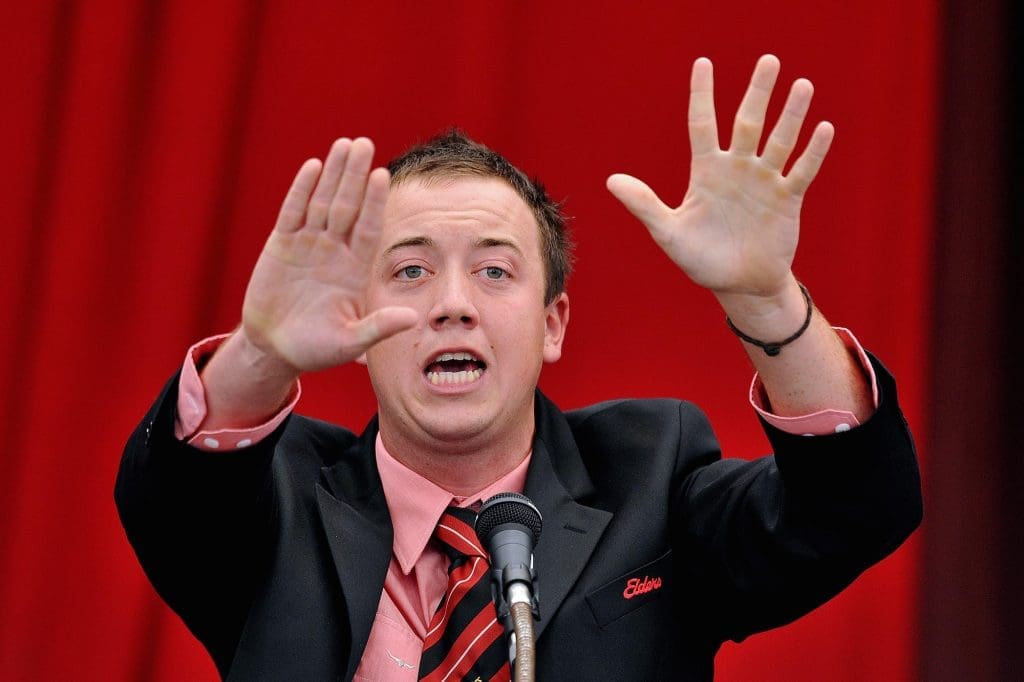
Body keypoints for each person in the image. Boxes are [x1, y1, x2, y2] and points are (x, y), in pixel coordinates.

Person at [116, 55, 921, 681]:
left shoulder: (650, 474)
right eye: (409, 271)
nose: (453, 304)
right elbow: (176, 497)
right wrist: (260, 353)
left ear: (552, 324)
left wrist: (765, 300)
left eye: (495, 271)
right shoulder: (280, 499)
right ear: (356, 327)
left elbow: (853, 510)